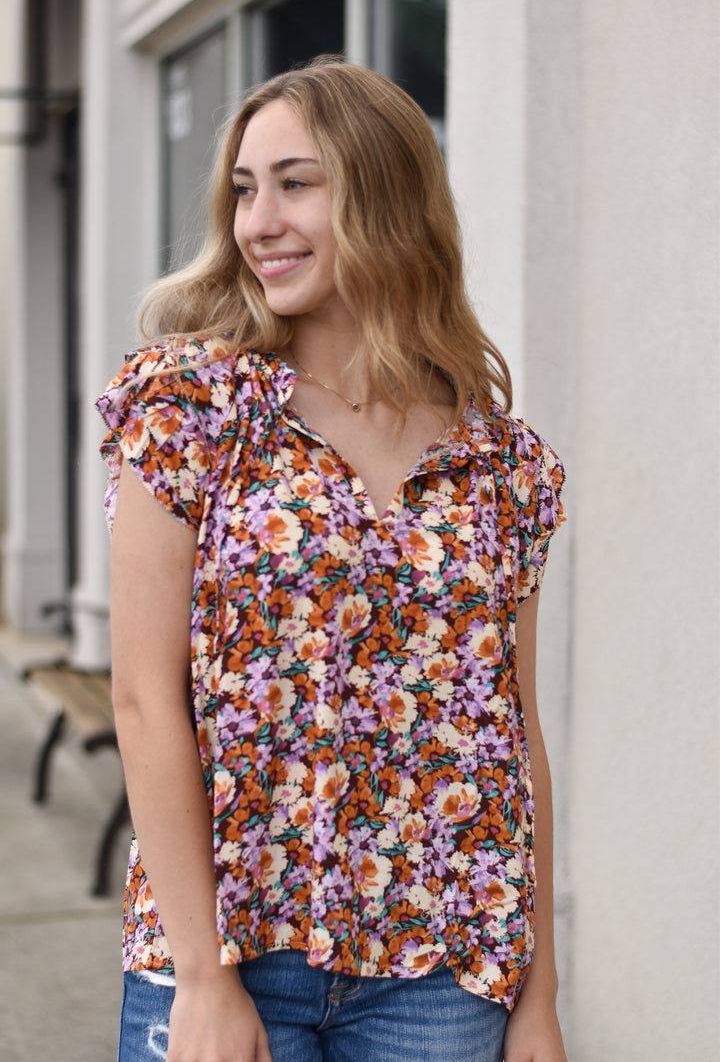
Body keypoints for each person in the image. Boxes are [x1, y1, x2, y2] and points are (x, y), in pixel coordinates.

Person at [97, 57, 568, 1062]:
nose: (257, 221)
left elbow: (512, 739)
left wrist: (538, 997)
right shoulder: (192, 408)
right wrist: (202, 977)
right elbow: (142, 694)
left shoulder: (501, 463)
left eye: (296, 183)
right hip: (233, 953)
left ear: (387, 195)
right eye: (244, 189)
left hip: (443, 978)